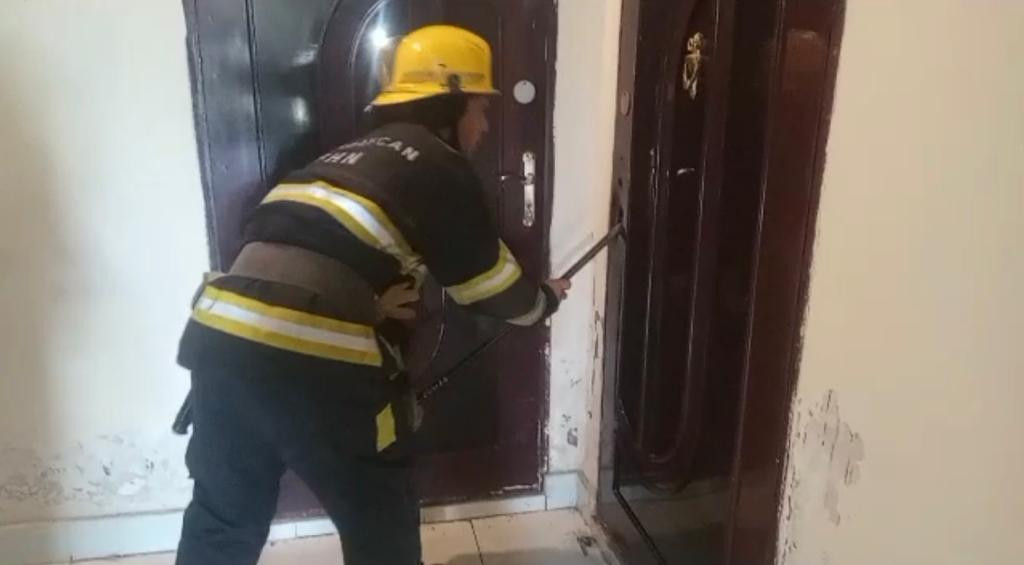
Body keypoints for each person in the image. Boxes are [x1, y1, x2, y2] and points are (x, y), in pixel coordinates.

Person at [173, 25, 570, 565]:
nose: (483, 126)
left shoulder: (338, 160)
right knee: (379, 521)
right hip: (314, 361)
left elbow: (288, 257)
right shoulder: (439, 164)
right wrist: (543, 300)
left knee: (222, 521)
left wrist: (368, 302)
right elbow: (490, 290)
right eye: (481, 108)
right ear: (450, 103)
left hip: (219, 342)